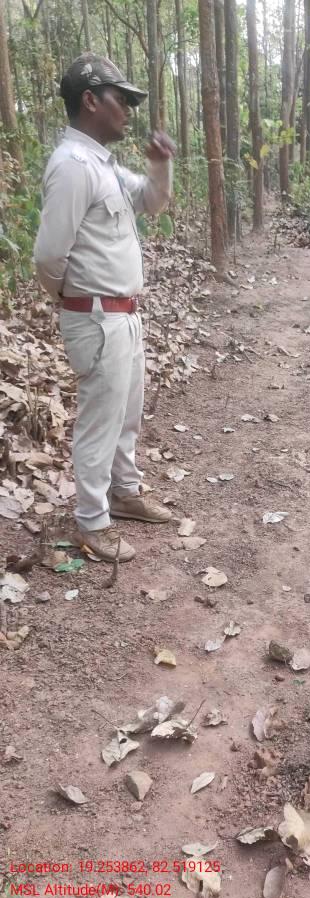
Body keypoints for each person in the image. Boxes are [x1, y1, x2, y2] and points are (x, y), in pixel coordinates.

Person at [34, 53, 176, 563]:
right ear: (91, 100)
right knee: (100, 419)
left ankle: (124, 492)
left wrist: (160, 163)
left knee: (126, 414)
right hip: (95, 315)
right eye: (122, 99)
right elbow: (49, 255)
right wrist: (72, 300)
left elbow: (153, 201)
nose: (129, 110)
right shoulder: (73, 167)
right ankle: (92, 520)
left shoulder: (103, 165)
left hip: (122, 314)